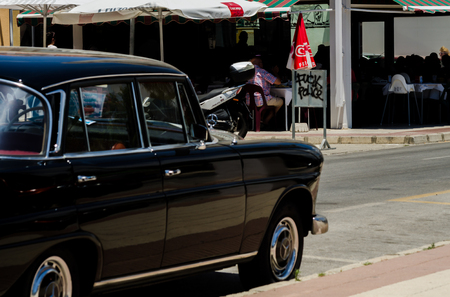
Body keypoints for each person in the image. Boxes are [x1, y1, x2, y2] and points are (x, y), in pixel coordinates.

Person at [246, 56, 283, 126]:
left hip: (249, 101)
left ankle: (260, 119)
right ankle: (266, 120)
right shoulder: (262, 71)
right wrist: (275, 72)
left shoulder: (247, 72)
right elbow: (278, 82)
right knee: (280, 101)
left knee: (268, 99)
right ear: (260, 64)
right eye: (261, 63)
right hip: (261, 100)